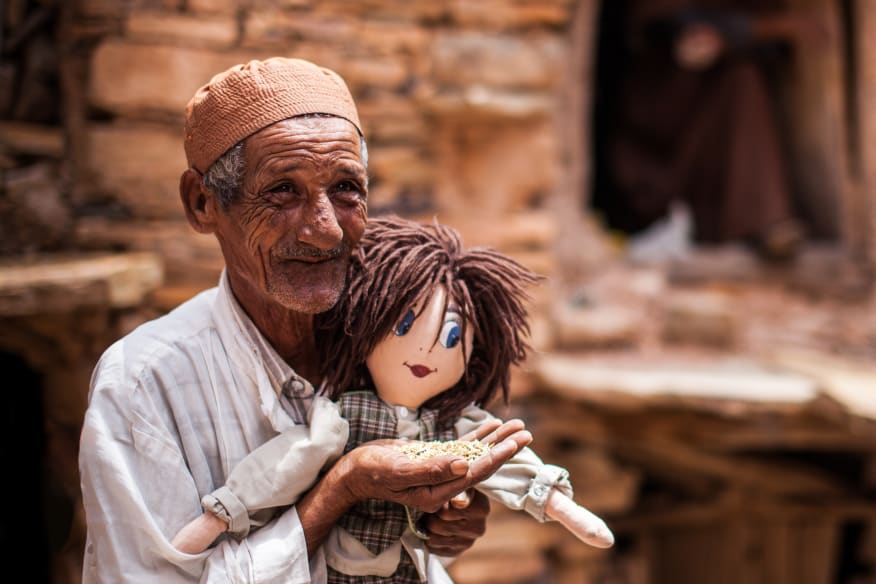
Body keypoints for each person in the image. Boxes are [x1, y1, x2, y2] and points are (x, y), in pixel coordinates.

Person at [77, 57, 532, 583]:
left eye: (345, 189)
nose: (325, 230)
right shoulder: (144, 382)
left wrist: (438, 521)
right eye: (283, 191)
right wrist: (341, 489)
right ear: (201, 204)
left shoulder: (387, 331)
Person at [171, 216, 615, 581]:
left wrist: (553, 501)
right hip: (342, 567)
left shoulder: (450, 426)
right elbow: (290, 461)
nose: (425, 351)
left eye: (453, 336)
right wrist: (226, 512)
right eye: (403, 326)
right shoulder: (345, 415)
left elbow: (498, 455)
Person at [592, 0, 823, 261]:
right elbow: (680, 30)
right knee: (741, 81)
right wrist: (773, 28)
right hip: (653, 134)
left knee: (743, 82)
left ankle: (764, 222)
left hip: (706, 123)